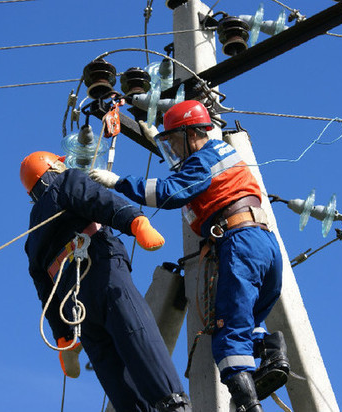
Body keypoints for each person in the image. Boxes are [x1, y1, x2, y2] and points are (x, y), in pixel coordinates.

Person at [90, 100, 290, 411]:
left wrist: (118, 182)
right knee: (248, 320)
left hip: (238, 243)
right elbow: (189, 175)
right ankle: (271, 352)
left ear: (189, 132)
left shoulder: (203, 160)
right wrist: (158, 132)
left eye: (172, 140)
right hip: (264, 243)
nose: (172, 148)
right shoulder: (221, 154)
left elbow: (168, 192)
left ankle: (248, 405)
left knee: (228, 339)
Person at [20, 151, 192, 412]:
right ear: (52, 169)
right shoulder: (66, 182)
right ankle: (174, 403)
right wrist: (135, 221)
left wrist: (64, 339)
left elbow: (44, 291)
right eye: (60, 164)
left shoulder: (32, 237)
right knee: (136, 335)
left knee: (109, 366)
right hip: (101, 271)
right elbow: (99, 199)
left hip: (76, 309)